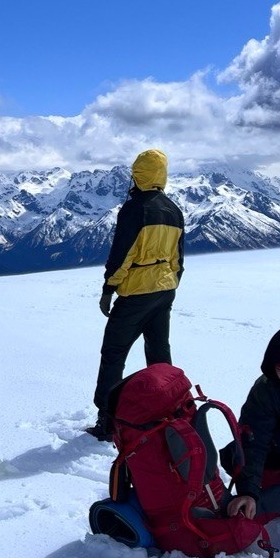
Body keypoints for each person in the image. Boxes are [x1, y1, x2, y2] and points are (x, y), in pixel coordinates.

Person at [87, 148, 185, 440]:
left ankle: (107, 421)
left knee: (114, 354)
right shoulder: (174, 210)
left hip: (136, 292)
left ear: (138, 174)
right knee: (159, 353)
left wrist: (109, 288)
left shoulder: (134, 209)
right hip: (164, 289)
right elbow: (178, 259)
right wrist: (171, 282)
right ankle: (169, 409)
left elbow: (122, 255)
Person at [225, 324, 280, 522]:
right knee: (235, 455)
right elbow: (253, 440)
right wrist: (249, 492)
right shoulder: (265, 390)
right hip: (278, 459)